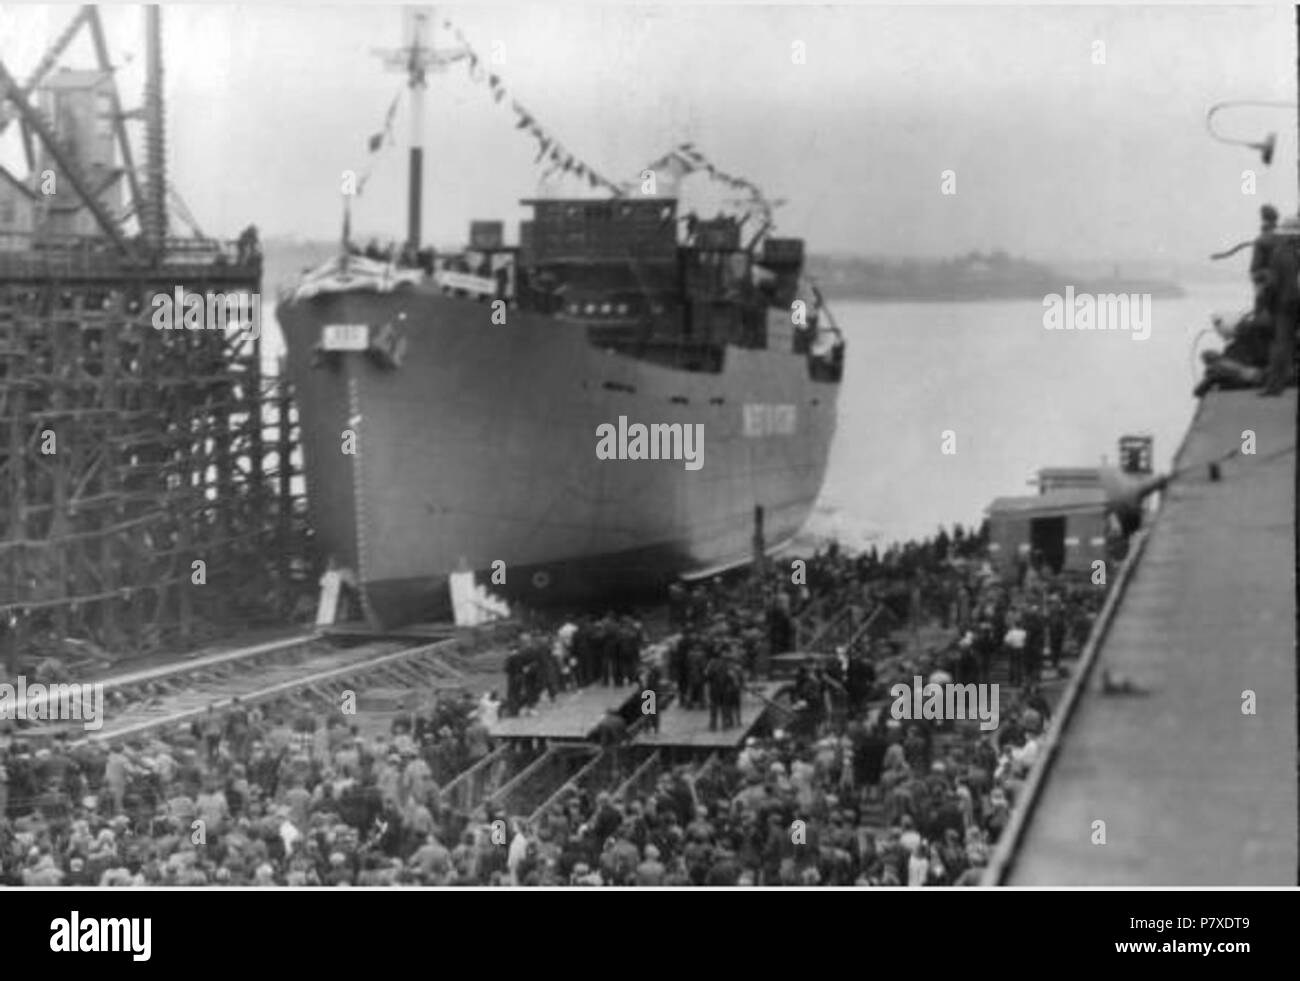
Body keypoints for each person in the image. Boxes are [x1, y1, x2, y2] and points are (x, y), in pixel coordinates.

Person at [1262, 213, 1300, 395]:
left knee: (1281, 345)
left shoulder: (1279, 252)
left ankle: (1274, 387)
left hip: (1286, 304)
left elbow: (1271, 284)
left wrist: (1267, 306)